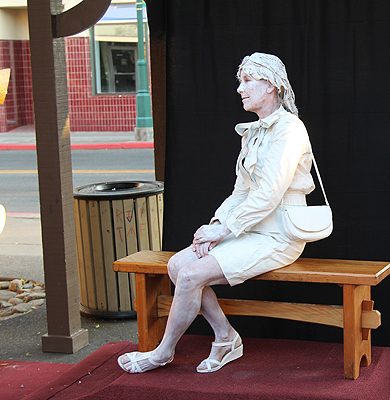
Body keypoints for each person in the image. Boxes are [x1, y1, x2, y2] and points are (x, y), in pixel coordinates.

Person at [118, 52, 316, 374]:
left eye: (247, 80)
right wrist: (215, 226)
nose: (240, 88)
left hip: (279, 234)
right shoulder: (255, 132)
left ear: (270, 85)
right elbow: (240, 192)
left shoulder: (289, 129)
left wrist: (223, 231)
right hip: (247, 229)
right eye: (240, 81)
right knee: (177, 264)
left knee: (191, 275)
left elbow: (268, 195)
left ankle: (163, 352)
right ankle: (226, 336)